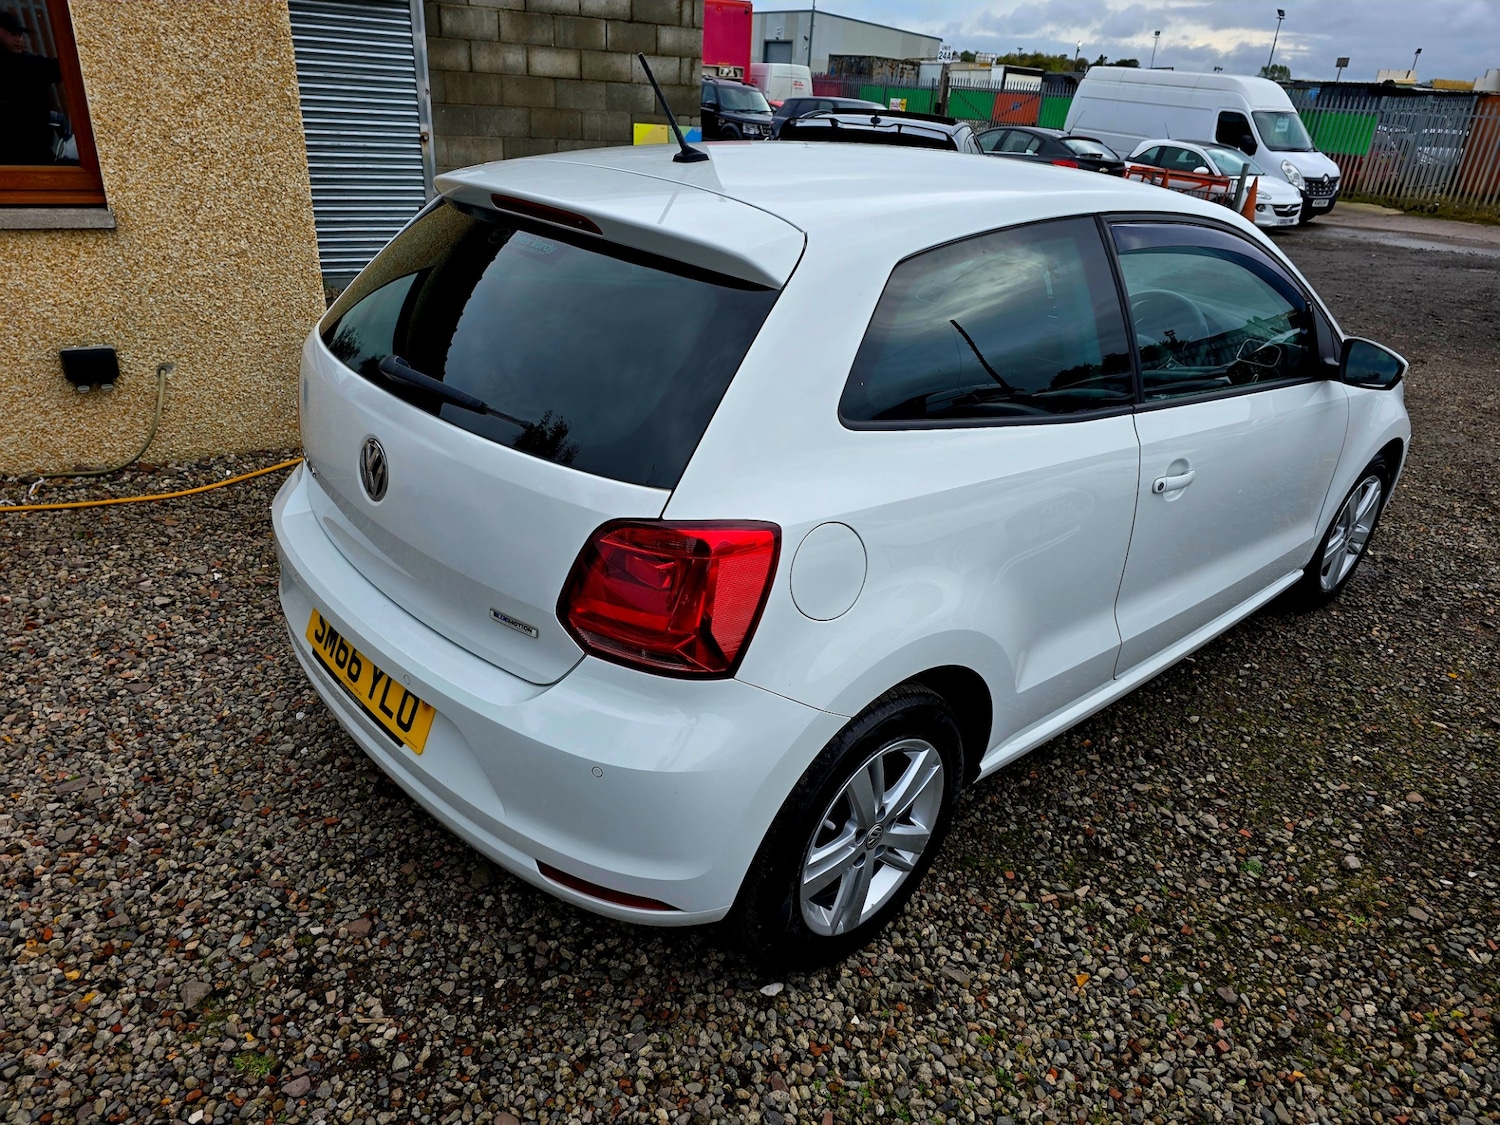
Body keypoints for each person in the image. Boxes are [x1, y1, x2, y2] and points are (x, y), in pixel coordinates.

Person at [0, 9, 62, 165]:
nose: (19, 39)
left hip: (35, 153)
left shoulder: (31, 65)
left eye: (20, 34)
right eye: (13, 33)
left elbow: (65, 68)